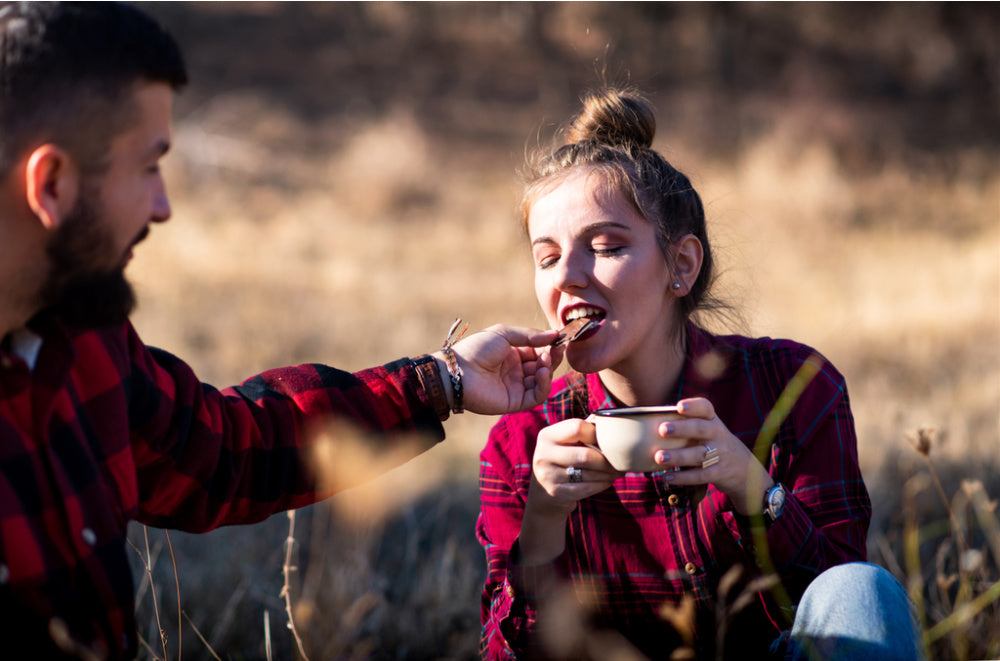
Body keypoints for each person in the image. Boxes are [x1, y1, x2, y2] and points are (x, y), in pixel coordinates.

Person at [0, 3, 563, 659]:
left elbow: (225, 451)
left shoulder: (84, 343)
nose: (163, 205)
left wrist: (441, 382)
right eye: (149, 166)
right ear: (53, 183)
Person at [476, 88, 926, 660]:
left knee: (864, 587)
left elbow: (850, 612)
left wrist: (753, 488)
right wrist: (542, 524)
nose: (567, 275)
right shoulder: (520, 446)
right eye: (546, 257)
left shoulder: (793, 387)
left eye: (605, 246)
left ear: (680, 266)